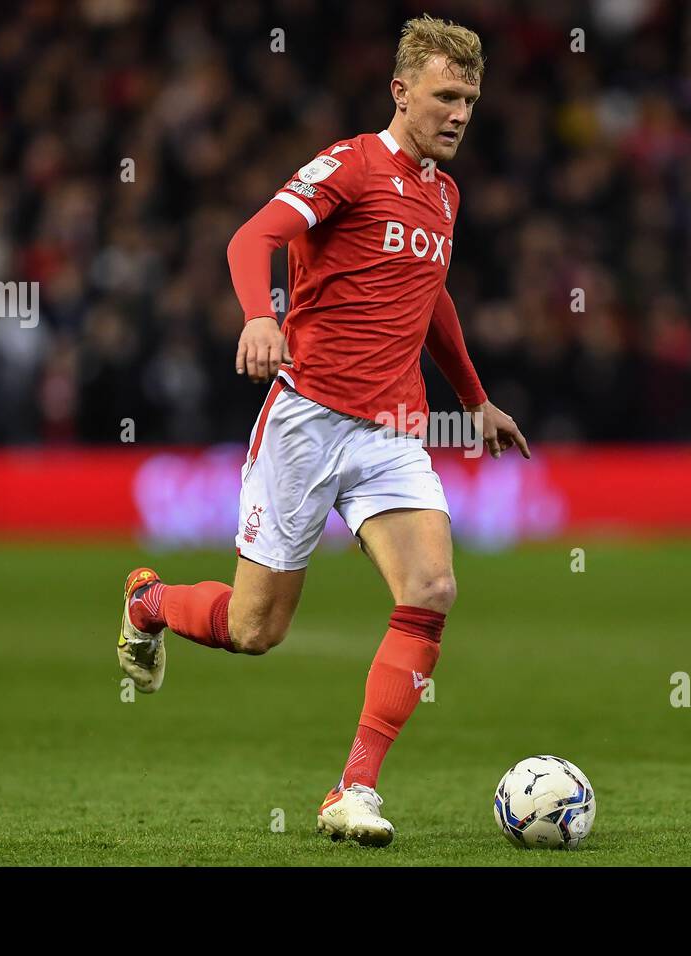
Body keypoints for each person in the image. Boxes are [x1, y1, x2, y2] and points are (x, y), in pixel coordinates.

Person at [116, 14, 527, 846]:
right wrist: (257, 316)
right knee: (254, 630)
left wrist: (475, 397)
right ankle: (148, 602)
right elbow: (252, 236)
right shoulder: (350, 164)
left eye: (471, 99)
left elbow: (433, 297)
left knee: (433, 590)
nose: (458, 113)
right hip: (307, 420)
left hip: (393, 431)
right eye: (445, 95)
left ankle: (353, 790)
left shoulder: (445, 195)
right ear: (400, 91)